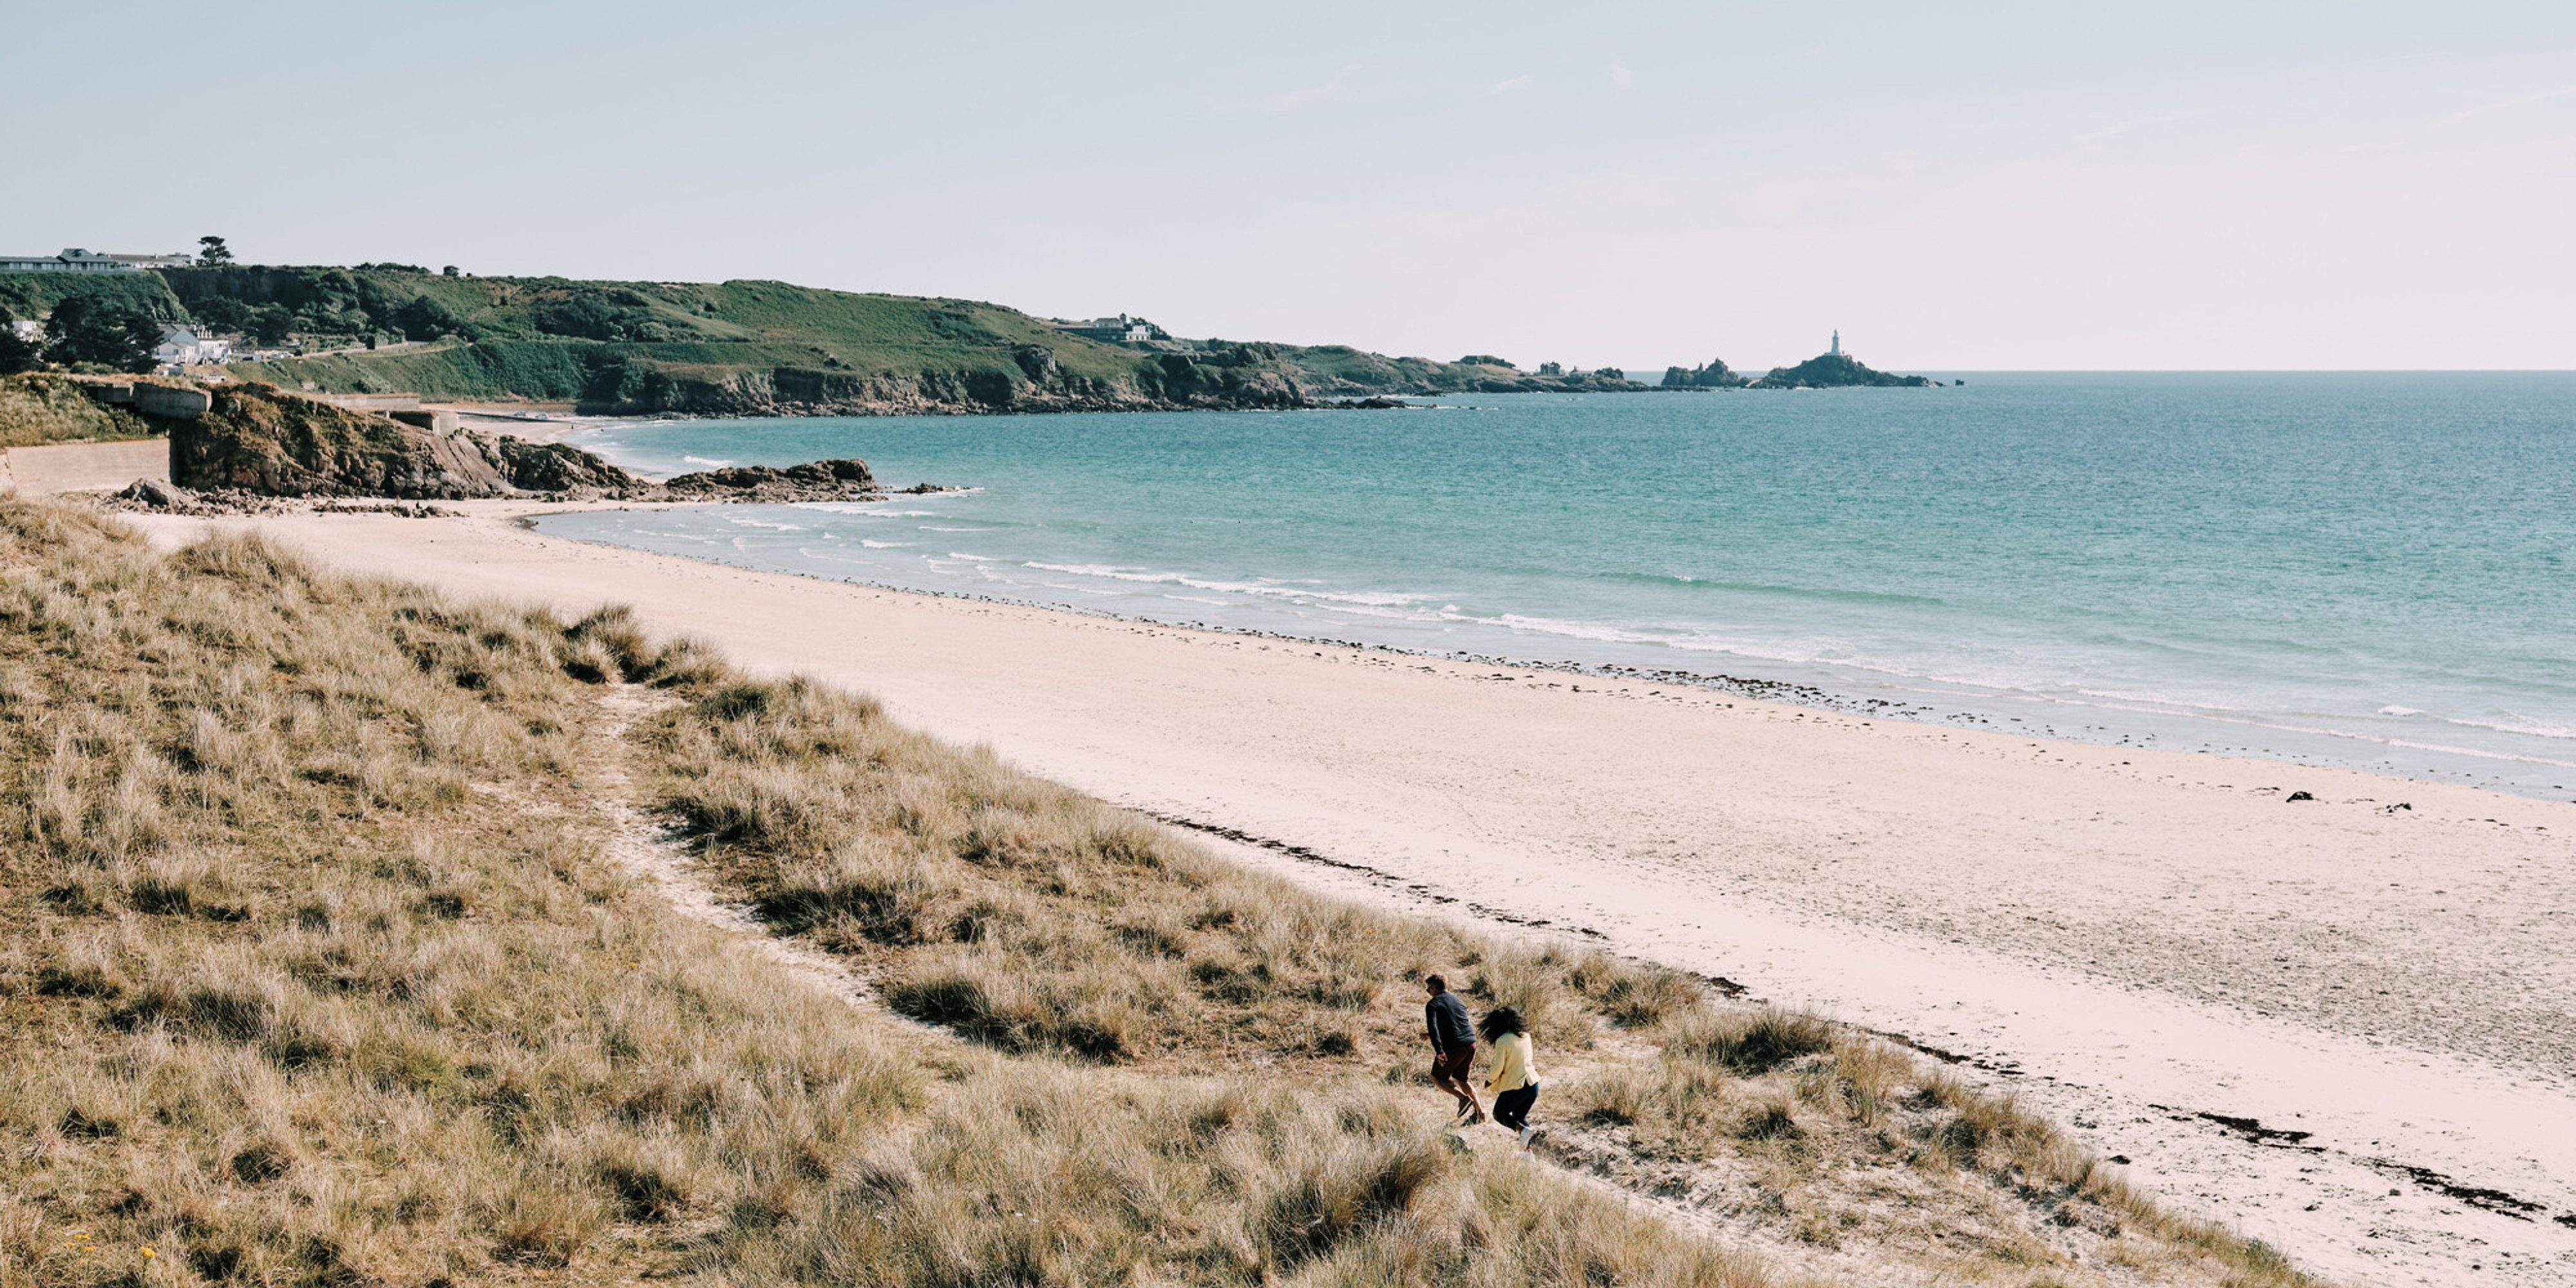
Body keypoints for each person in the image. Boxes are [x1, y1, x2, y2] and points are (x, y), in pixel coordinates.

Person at [1478, 1005, 1542, 1148]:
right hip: (1533, 1085)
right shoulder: (1526, 1035)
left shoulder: (1503, 1040)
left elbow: (1498, 1067)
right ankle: (1528, 1151)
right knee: (1519, 1117)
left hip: (1517, 1086)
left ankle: (1522, 1132)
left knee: (1499, 1114)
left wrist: (1489, 1080)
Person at [1423, 975, 1481, 1124]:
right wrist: (1431, 1036)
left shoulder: (1433, 1004)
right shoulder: (1458, 1000)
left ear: (1435, 988)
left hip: (1455, 1046)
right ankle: (1481, 1113)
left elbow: (1434, 1028)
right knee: (1462, 1080)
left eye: (1429, 988)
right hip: (1471, 1043)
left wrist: (1439, 1051)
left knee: (1436, 1077)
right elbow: (1455, 1025)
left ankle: (1463, 1099)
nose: (1428, 991)